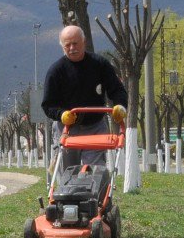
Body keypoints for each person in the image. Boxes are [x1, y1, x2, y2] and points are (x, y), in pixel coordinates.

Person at [42, 25, 127, 168]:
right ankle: (67, 190)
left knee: (95, 171)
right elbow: (48, 104)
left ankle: (95, 189)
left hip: (95, 126)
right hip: (67, 128)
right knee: (67, 172)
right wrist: (62, 114)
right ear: (62, 47)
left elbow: (117, 90)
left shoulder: (100, 64)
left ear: (84, 42)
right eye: (67, 45)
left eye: (75, 43)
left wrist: (120, 106)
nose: (71, 48)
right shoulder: (55, 71)